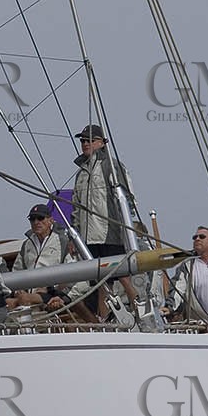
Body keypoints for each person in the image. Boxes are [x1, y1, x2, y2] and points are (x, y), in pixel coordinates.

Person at [70, 125, 140, 319]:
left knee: (121, 273)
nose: (84, 143)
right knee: (101, 280)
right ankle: (105, 318)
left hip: (109, 230)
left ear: (101, 143)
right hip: (88, 235)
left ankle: (140, 310)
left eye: (89, 140)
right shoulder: (81, 173)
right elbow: (76, 205)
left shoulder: (112, 165)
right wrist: (75, 234)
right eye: (82, 140)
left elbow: (127, 197)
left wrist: (126, 226)